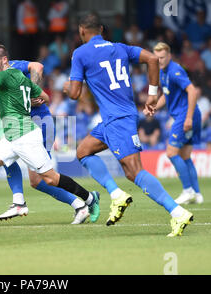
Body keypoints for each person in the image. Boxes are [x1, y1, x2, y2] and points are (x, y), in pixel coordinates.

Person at [63, 13, 193, 237]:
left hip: (118, 120)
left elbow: (74, 94)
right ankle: (116, 194)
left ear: (81, 31)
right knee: (83, 151)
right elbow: (152, 59)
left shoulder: (80, 53)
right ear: (102, 29)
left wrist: (67, 87)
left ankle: (178, 212)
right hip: (116, 118)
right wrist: (152, 94)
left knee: (134, 172)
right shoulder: (121, 48)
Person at [0, 44, 99, 224]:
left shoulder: (6, 74)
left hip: (27, 134)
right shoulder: (16, 77)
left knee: (49, 179)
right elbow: (45, 97)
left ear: (4, 60)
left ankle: (88, 199)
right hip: (13, 136)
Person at [152, 42, 204, 205]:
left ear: (169, 56)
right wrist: (154, 107)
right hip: (187, 115)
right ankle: (197, 194)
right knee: (185, 156)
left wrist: (188, 118)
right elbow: (166, 95)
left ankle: (187, 191)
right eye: (157, 58)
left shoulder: (174, 71)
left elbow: (192, 91)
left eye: (162, 57)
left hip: (185, 115)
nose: (159, 61)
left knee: (171, 152)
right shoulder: (163, 72)